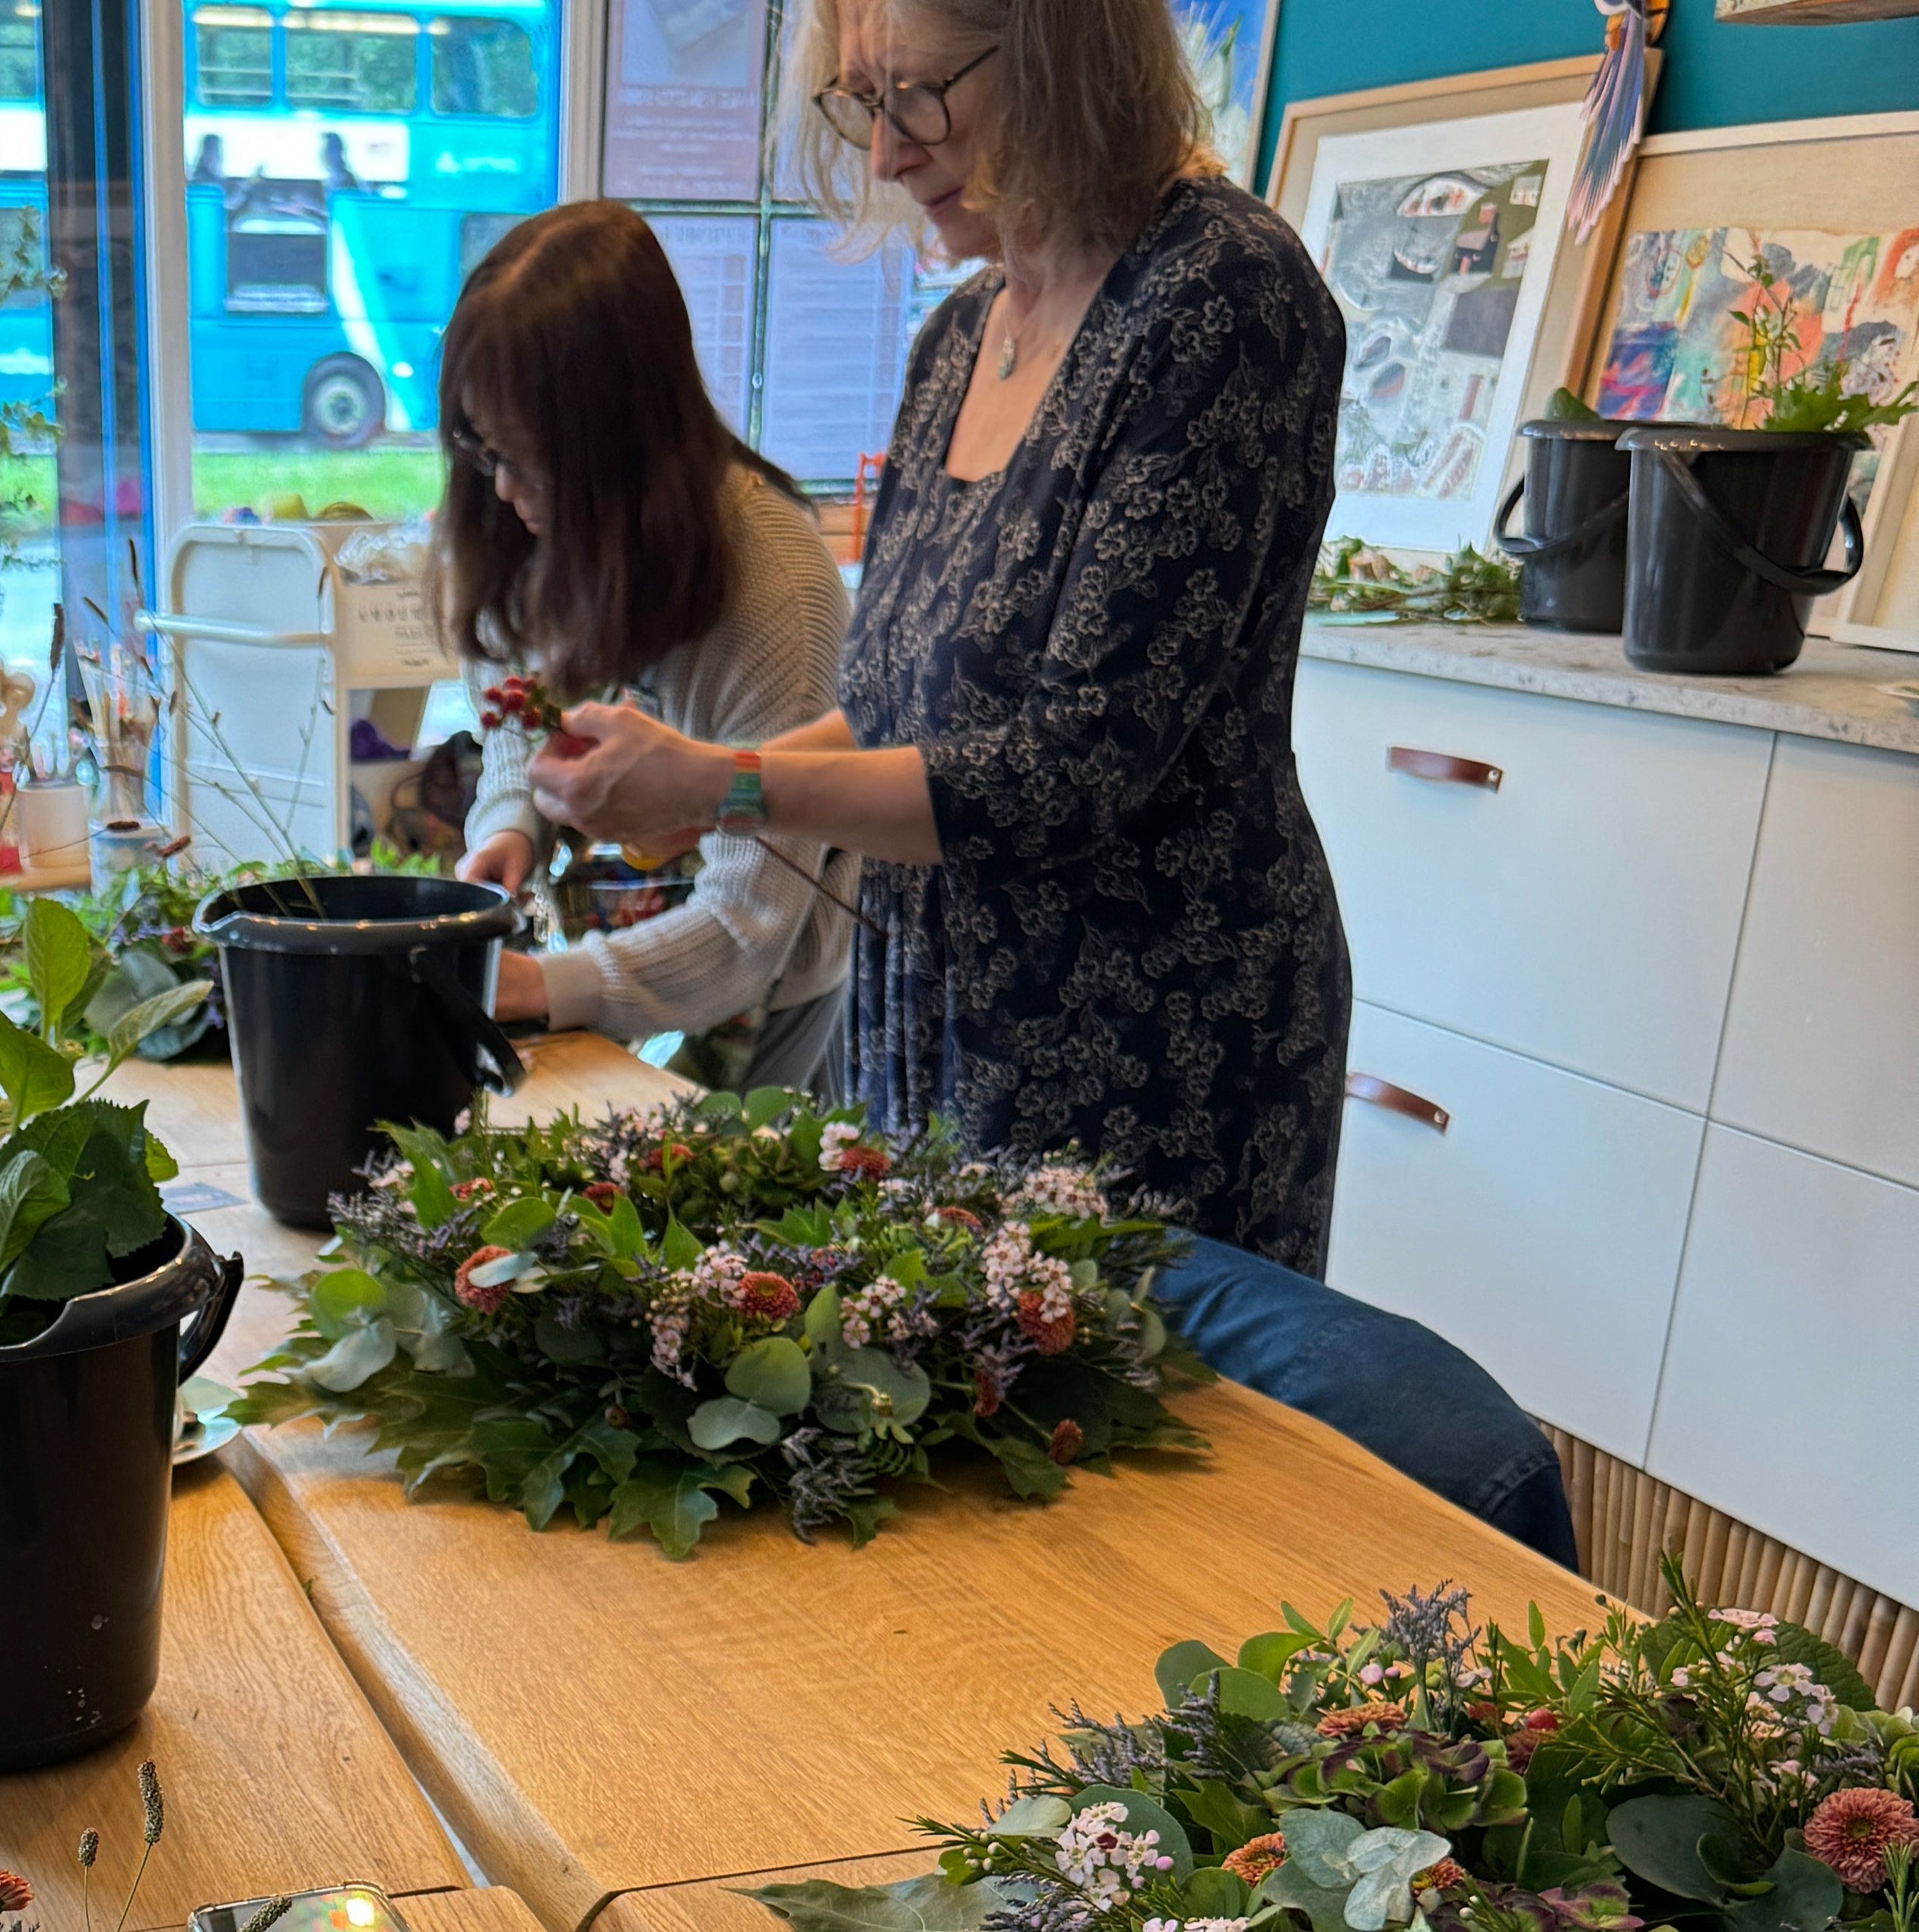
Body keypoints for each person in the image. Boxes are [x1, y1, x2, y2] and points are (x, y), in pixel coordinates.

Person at [531, 0, 1352, 1269]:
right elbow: (892, 714)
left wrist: (724, 783)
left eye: (917, 93)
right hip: (925, 1032)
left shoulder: (1221, 298)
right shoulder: (959, 337)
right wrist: (699, 793)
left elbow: (1065, 774)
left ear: (1068, 53)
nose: (885, 151)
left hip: (1147, 1057)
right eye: (861, 102)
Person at [439, 201, 853, 1093]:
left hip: (751, 995)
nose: (503, 490)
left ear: (621, 442)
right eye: (484, 450)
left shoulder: (774, 592)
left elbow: (745, 927)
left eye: (531, 459)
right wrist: (511, 821)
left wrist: (539, 987)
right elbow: (511, 706)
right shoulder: (526, 521)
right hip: (593, 966)